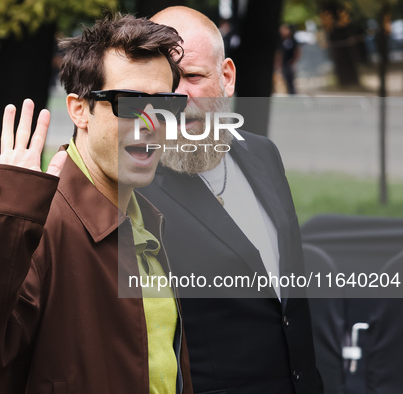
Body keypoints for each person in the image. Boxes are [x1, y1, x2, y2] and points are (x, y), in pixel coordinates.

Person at [0, 14, 193, 394]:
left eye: (165, 104)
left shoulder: (148, 221)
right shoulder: (38, 223)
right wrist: (5, 217)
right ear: (79, 109)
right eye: (130, 102)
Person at [140, 6, 323, 394]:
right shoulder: (132, 185)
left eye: (191, 77)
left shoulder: (263, 154)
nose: (177, 97)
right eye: (162, 82)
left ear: (227, 77)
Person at [277, 24, 301, 95]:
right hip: (284, 63)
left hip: (291, 63)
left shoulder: (293, 40)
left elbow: (297, 51)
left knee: (291, 79)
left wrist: (294, 60)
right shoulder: (280, 41)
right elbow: (279, 53)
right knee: (285, 79)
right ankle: (289, 92)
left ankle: (292, 92)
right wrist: (278, 63)